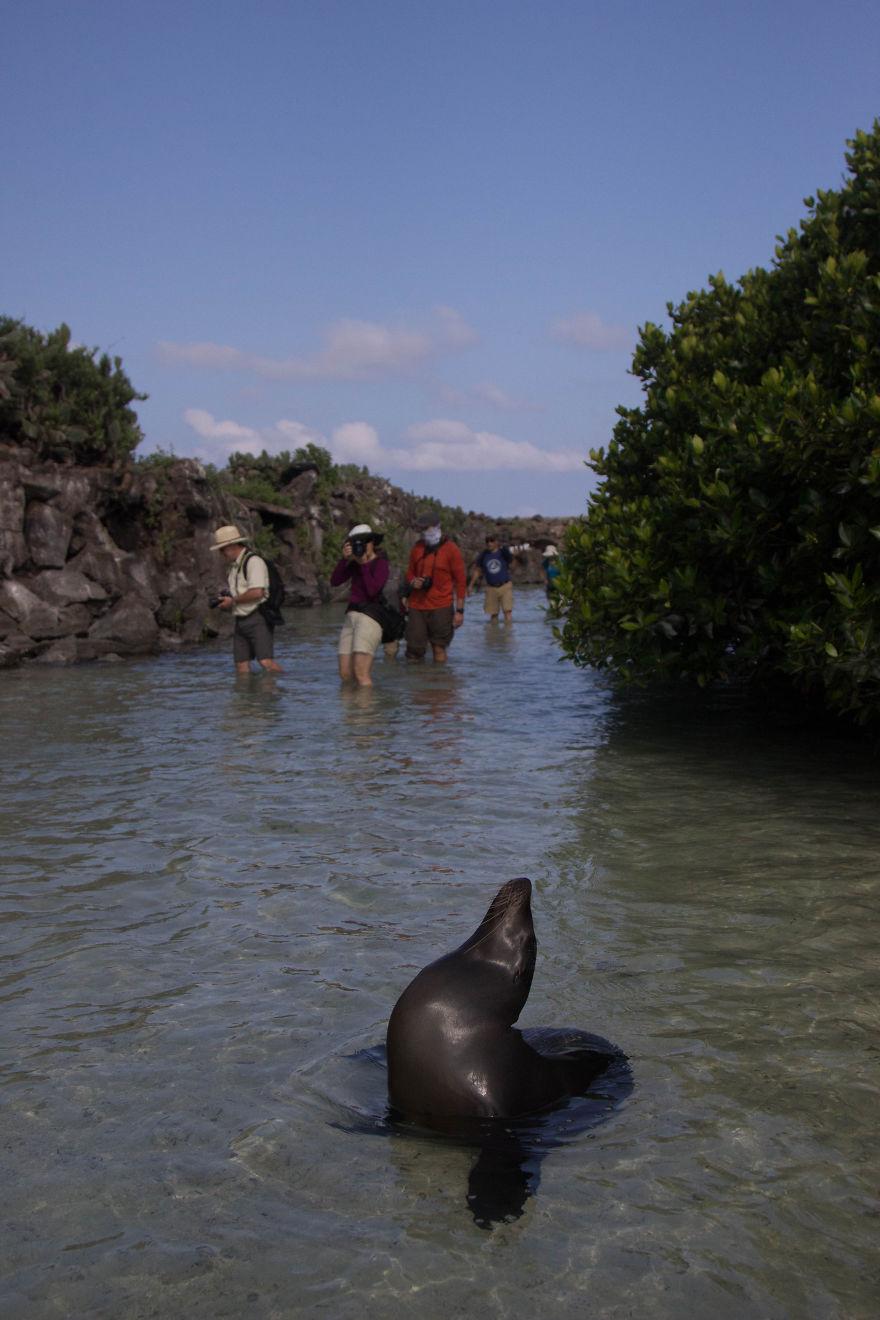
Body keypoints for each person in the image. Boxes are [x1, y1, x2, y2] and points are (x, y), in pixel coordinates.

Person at [210, 524, 283, 674]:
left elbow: (257, 592)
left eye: (222, 549)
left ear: (232, 546)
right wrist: (227, 600)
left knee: (265, 662)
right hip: (240, 619)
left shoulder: (253, 562)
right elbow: (242, 591)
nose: (221, 554)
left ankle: (283, 686)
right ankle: (246, 697)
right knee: (241, 666)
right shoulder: (233, 567)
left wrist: (234, 600)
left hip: (258, 618)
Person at [329, 523, 389, 687]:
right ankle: (351, 711)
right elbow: (335, 581)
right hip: (351, 615)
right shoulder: (354, 564)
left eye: (365, 541)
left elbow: (372, 591)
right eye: (357, 543)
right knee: (346, 674)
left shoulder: (381, 564)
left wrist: (363, 563)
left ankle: (367, 711)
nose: (362, 546)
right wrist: (345, 559)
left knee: (361, 673)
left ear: (373, 543)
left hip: (370, 617)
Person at [403, 514, 467, 663]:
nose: (424, 531)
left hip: (441, 606)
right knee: (413, 650)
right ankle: (417, 684)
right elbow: (409, 573)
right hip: (417, 606)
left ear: (437, 527)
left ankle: (440, 683)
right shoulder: (417, 548)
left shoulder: (452, 550)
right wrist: (413, 581)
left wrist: (459, 611)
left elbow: (461, 582)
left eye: (427, 528)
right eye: (422, 529)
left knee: (439, 648)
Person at [469, 532, 514, 621]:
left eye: (492, 541)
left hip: (505, 586)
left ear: (496, 542)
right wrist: (470, 585)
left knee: (507, 612)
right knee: (493, 615)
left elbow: (512, 564)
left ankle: (509, 634)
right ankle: (494, 634)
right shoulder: (483, 555)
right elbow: (478, 570)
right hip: (491, 588)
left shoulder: (503, 553)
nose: (489, 543)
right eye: (487, 541)